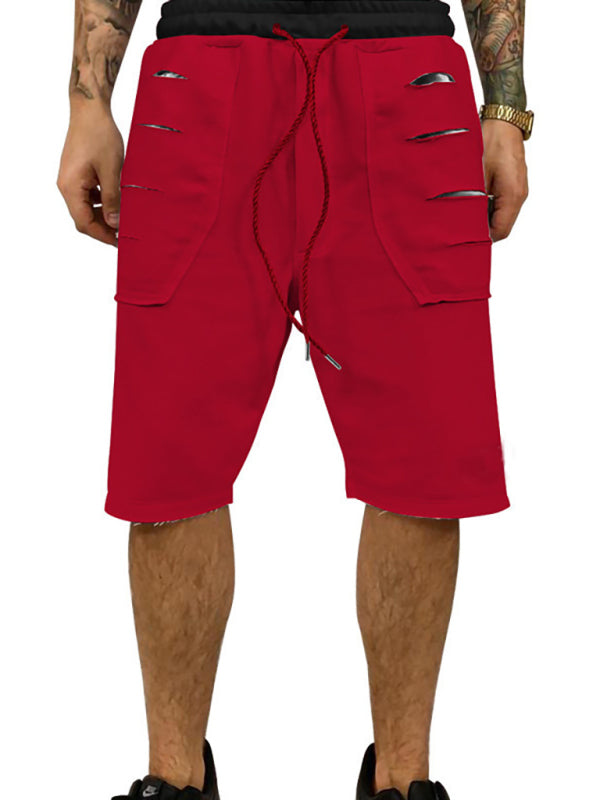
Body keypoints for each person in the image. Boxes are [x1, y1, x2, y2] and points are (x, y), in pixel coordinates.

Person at [57, 1, 532, 799]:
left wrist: (506, 107)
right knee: (165, 460)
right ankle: (173, 781)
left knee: (426, 460)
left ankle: (403, 782)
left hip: (405, 79)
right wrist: (87, 102)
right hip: (204, 75)